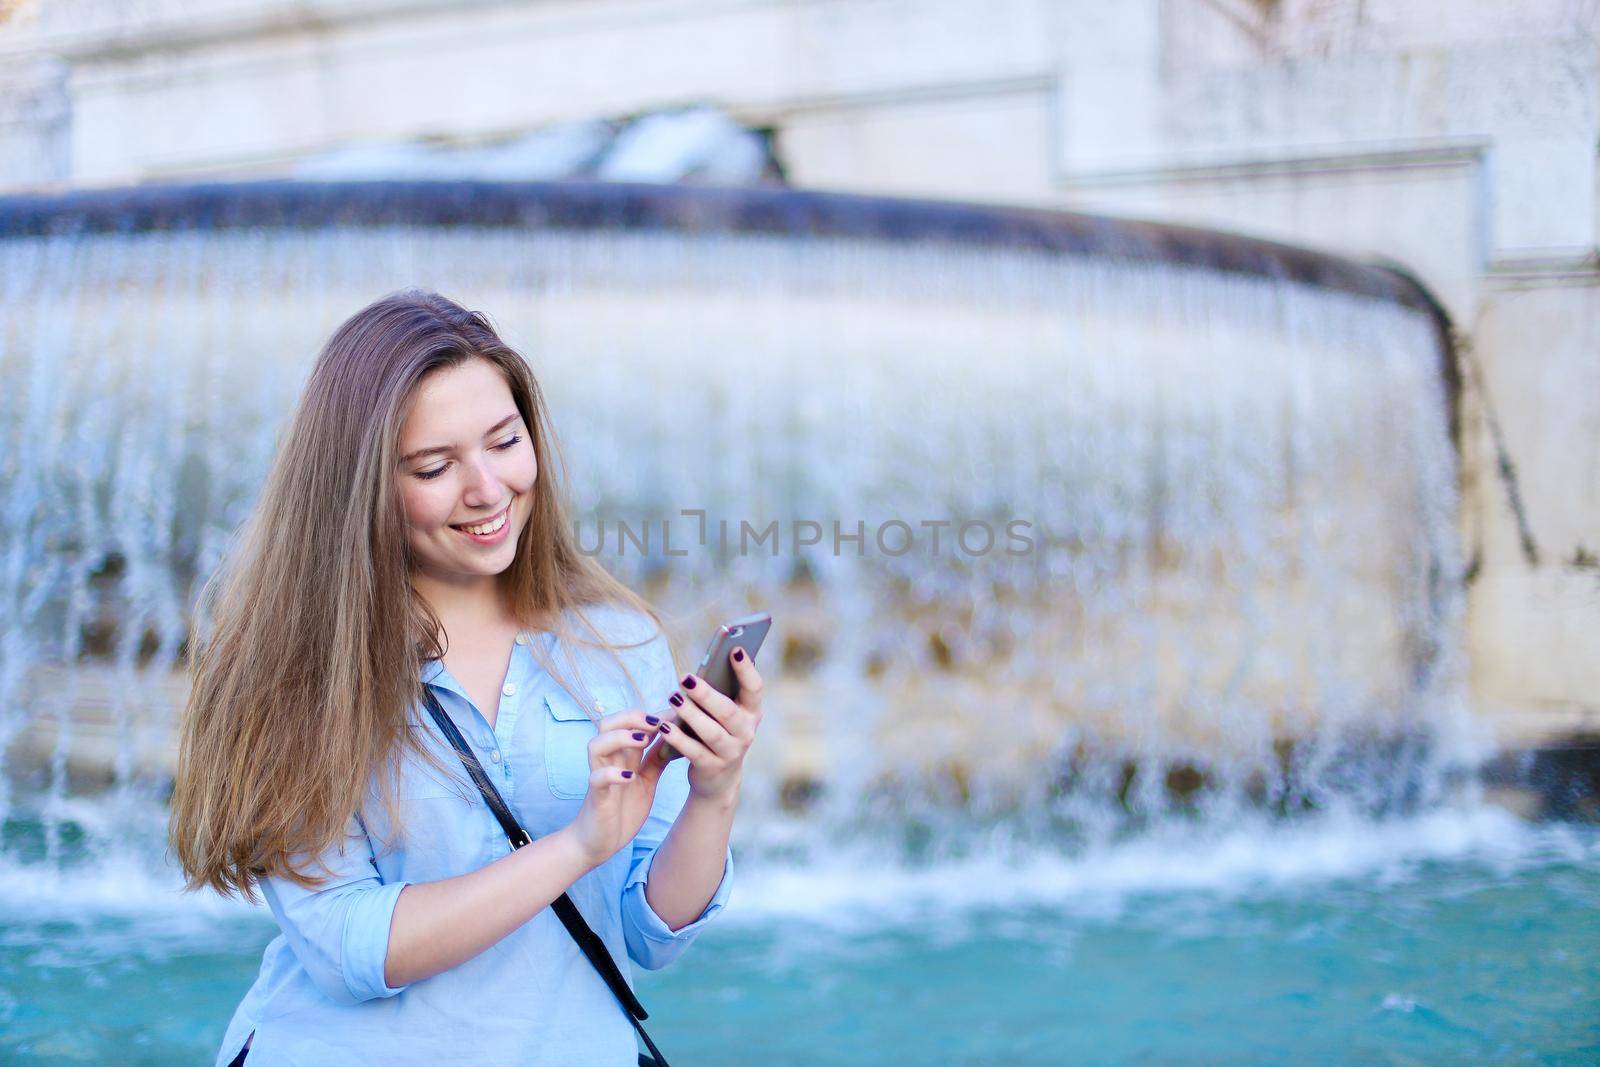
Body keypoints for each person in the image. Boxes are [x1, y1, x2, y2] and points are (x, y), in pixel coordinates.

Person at [168, 289, 757, 1065]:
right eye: (435, 466)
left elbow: (651, 934)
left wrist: (714, 793)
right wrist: (577, 844)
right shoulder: (291, 662)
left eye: (505, 441)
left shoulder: (616, 640)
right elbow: (347, 946)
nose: (486, 489)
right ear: (361, 487)